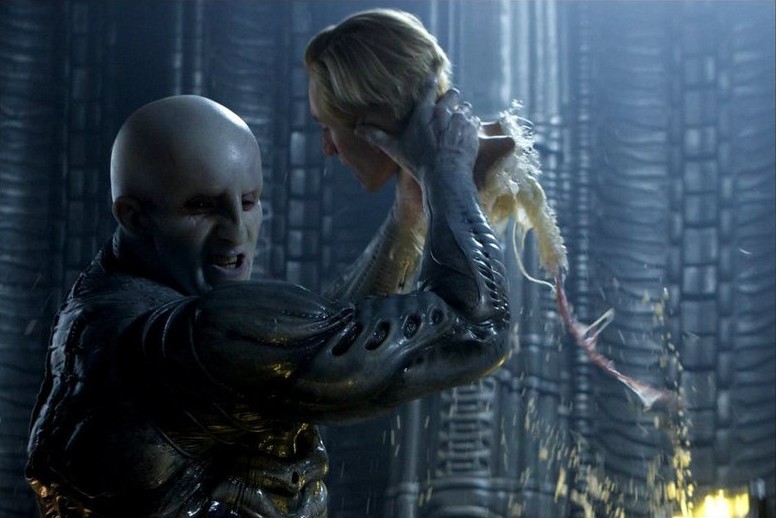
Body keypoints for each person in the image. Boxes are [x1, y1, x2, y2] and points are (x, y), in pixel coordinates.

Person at [25, 84, 511, 516]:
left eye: (249, 201)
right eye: (201, 207)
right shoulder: (191, 338)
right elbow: (476, 329)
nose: (236, 233)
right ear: (133, 216)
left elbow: (302, 344)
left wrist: (407, 220)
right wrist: (447, 171)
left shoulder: (101, 308)